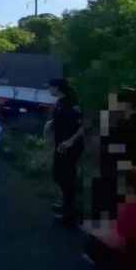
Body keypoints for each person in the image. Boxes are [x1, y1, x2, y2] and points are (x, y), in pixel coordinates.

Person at [47, 78, 84, 225]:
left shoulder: (72, 105)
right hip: (60, 145)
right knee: (59, 175)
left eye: (50, 87)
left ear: (57, 88)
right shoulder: (60, 103)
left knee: (66, 178)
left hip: (70, 147)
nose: (48, 90)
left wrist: (70, 141)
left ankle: (70, 214)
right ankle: (66, 206)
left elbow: (83, 127)